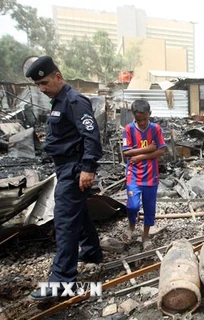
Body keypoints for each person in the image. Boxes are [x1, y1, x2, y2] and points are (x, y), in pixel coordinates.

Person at [26, 56, 104, 300]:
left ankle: (61, 281)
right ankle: (91, 251)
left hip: (74, 170)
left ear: (58, 77)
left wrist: (88, 168)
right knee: (77, 214)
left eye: (45, 82)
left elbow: (92, 135)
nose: (42, 88)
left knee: (64, 223)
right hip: (65, 169)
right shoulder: (59, 101)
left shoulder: (74, 100)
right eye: (38, 85)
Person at [122, 99, 167, 250]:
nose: (141, 123)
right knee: (133, 205)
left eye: (144, 119)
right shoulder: (128, 129)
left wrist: (141, 156)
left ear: (150, 114)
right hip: (133, 175)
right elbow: (126, 152)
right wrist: (149, 148)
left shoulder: (156, 129)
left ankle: (146, 235)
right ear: (134, 116)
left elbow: (161, 150)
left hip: (151, 176)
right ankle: (131, 225)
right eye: (138, 120)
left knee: (149, 208)